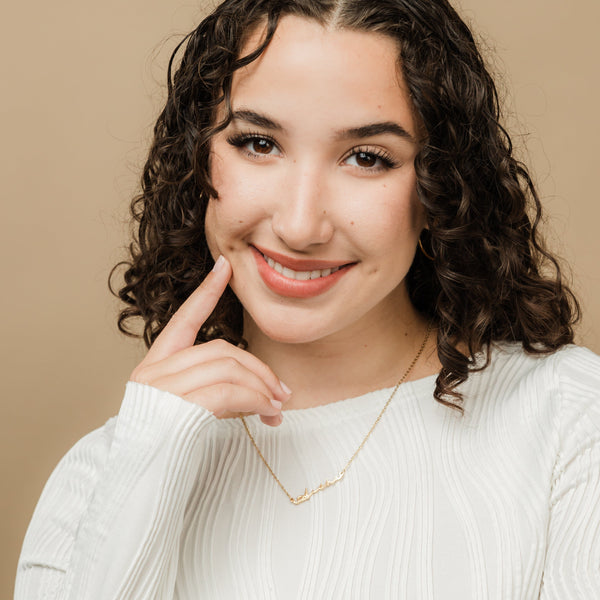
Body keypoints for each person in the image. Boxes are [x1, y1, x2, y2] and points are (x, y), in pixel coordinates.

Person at [15, 0, 600, 597]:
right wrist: (143, 464)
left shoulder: (570, 420)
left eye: (367, 158)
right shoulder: (100, 473)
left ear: (441, 188)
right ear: (196, 160)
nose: (300, 226)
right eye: (258, 144)